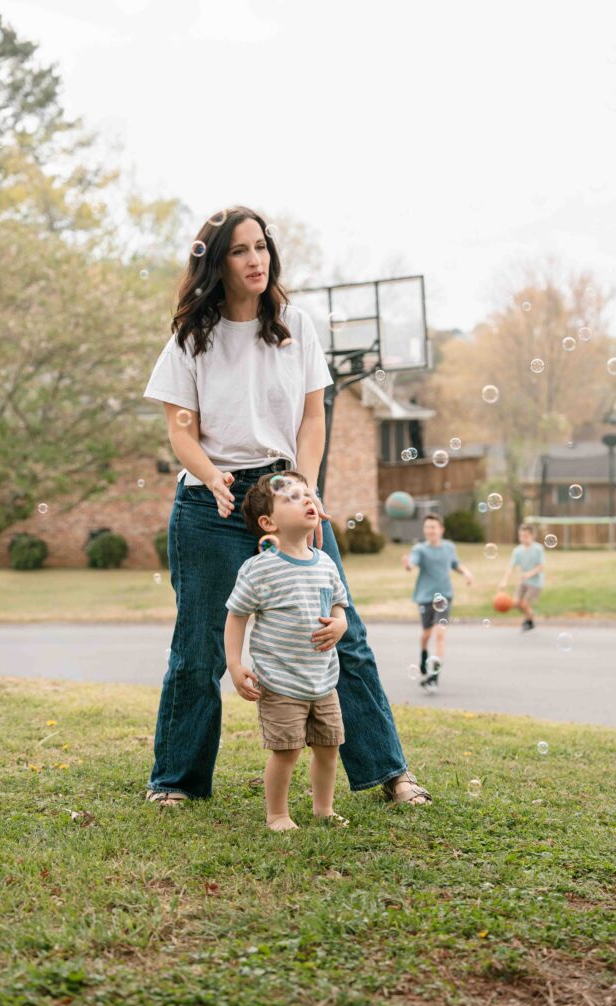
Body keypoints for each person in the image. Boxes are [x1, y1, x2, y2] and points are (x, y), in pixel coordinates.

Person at [142, 204, 431, 809]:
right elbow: (180, 430)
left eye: (261, 247)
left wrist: (303, 486)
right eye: (240, 250)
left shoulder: (295, 324)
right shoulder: (191, 337)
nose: (256, 259)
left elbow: (310, 417)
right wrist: (211, 476)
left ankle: (390, 774)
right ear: (216, 263)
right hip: (211, 507)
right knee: (198, 649)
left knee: (340, 635)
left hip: (286, 492)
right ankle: (176, 782)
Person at [224, 471, 350, 831]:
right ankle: (277, 813)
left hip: (323, 679)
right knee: (287, 750)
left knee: (328, 747)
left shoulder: (325, 562)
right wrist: (234, 665)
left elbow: (339, 605)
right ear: (268, 522)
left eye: (309, 494)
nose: (309, 500)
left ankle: (323, 809)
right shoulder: (260, 569)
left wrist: (340, 624)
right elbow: (236, 617)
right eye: (293, 497)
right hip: (279, 681)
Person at [402, 513, 473, 690]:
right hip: (425, 598)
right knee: (426, 635)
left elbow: (454, 564)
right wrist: (407, 564)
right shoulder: (420, 549)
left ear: (441, 529)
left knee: (440, 634)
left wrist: (466, 572)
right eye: (427, 527)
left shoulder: (449, 547)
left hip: (444, 597)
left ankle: (434, 677)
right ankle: (424, 654)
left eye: (433, 527)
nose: (430, 530)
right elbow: (412, 563)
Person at [498, 523, 545, 631]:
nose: (523, 538)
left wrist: (529, 573)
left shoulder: (538, 549)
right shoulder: (517, 551)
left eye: (526, 535)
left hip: (535, 583)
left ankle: (529, 619)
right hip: (523, 582)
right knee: (515, 603)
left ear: (532, 536)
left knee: (524, 603)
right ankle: (530, 619)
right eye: (521, 535)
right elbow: (511, 567)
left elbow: (541, 567)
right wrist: (504, 581)